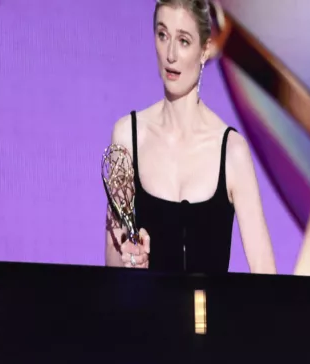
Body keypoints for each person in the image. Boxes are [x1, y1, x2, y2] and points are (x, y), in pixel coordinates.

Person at [105, 0, 276, 275]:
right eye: (163, 35)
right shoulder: (126, 137)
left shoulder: (232, 151)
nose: (170, 54)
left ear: (205, 50)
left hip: (212, 318)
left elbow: (266, 273)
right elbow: (111, 267)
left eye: (184, 41)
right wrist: (132, 259)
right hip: (146, 317)